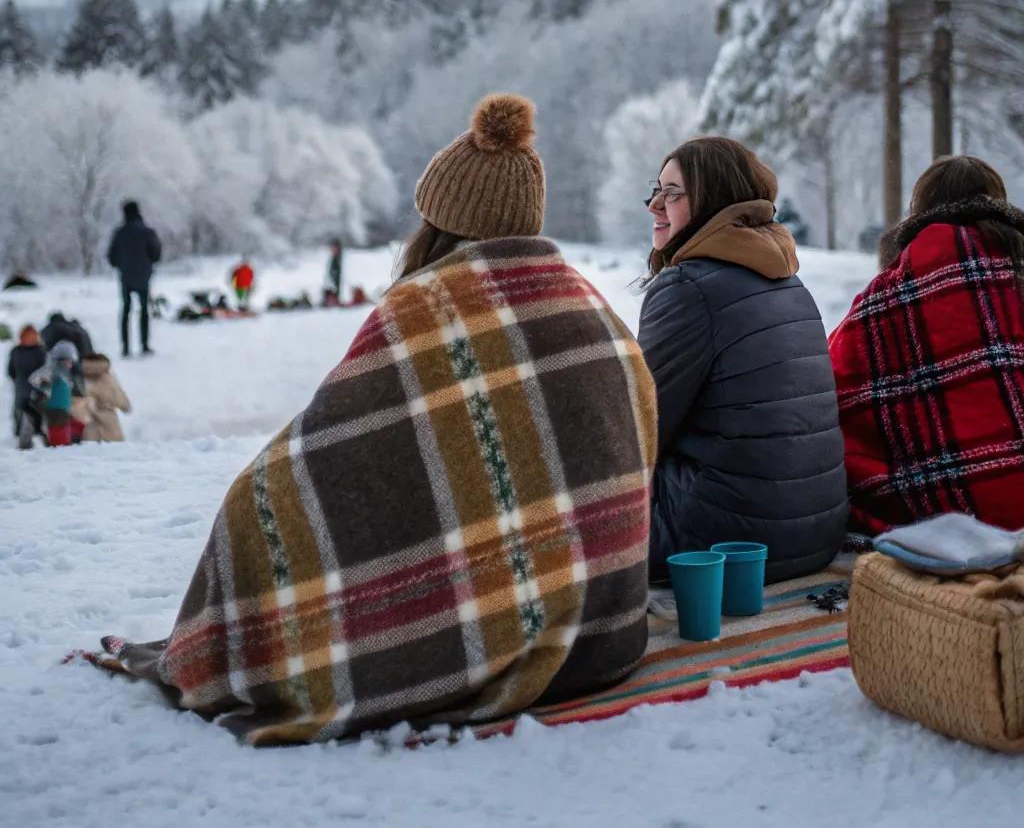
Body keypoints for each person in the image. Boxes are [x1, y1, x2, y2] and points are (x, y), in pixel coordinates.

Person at [100, 94, 656, 745]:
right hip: (607, 637)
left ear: (440, 224)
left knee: (255, 509)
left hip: (520, 654)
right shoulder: (593, 307)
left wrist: (249, 532)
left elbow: (336, 453)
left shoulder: (426, 309)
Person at [638, 135, 847, 583]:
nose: (655, 204)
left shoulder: (688, 288)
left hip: (719, 541)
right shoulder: (791, 283)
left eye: (672, 193)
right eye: (655, 190)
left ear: (713, 199)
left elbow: (639, 427)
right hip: (813, 533)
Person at [829, 155, 1024, 535]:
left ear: (919, 209)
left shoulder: (887, 294)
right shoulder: (1016, 272)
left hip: (944, 513)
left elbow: (831, 384)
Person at [107, 200, 161, 358]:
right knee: (144, 310)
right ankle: (144, 345)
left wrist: (122, 265)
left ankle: (125, 347)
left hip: (126, 277)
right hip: (144, 276)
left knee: (126, 310)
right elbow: (156, 253)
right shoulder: (147, 231)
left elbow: (111, 257)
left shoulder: (119, 233)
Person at [31, 340, 85, 447]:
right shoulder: (55, 371)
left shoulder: (65, 373)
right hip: (56, 410)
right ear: (61, 360)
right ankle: (58, 449)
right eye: (68, 361)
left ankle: (62, 445)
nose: (70, 364)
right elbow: (36, 379)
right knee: (59, 433)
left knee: (71, 428)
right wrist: (44, 383)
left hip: (63, 409)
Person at [7, 323, 47, 449]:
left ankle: (25, 437)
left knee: (24, 412)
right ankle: (31, 437)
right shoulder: (40, 350)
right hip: (33, 387)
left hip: (24, 386)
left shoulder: (17, 351)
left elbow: (11, 370)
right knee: (31, 412)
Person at [82, 353, 132, 442]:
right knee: (112, 451)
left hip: (88, 423)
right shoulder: (109, 378)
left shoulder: (82, 378)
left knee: (89, 452)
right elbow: (123, 402)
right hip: (110, 423)